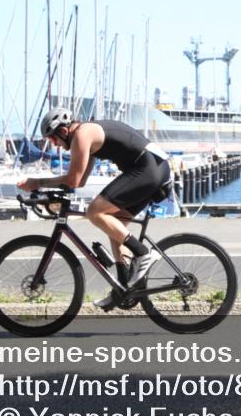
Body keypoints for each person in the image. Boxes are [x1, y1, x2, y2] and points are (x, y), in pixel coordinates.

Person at [17, 108, 172, 311]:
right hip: (154, 168)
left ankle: (143, 253)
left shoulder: (82, 135)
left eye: (52, 139)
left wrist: (37, 183)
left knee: (95, 212)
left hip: (148, 169)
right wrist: (48, 188)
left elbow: (72, 179)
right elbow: (79, 181)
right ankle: (123, 289)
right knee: (112, 225)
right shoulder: (86, 136)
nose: (54, 145)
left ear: (63, 131)